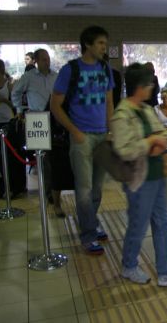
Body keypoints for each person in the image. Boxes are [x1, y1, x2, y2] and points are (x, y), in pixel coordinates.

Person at [112, 62, 167, 288]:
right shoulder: (123, 114)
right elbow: (123, 149)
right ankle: (129, 266)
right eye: (149, 84)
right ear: (139, 86)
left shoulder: (147, 110)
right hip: (140, 179)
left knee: (163, 222)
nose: (153, 88)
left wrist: (159, 140)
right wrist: (150, 142)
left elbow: (162, 135)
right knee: (138, 225)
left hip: (157, 176)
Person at [50, 25, 114, 255]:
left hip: (101, 136)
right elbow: (55, 106)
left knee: (96, 190)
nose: (104, 48)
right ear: (87, 44)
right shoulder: (70, 70)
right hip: (82, 138)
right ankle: (88, 235)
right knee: (84, 190)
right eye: (100, 43)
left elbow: (109, 102)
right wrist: (74, 131)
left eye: (105, 44)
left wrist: (110, 131)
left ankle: (90, 224)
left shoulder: (106, 69)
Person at [11, 48, 62, 215]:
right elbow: (16, 92)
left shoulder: (56, 76)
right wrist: (20, 109)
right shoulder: (29, 77)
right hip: (37, 119)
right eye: (44, 59)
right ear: (37, 61)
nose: (47, 62)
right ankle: (48, 193)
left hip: (55, 119)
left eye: (48, 59)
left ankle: (53, 192)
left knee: (55, 158)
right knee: (44, 160)